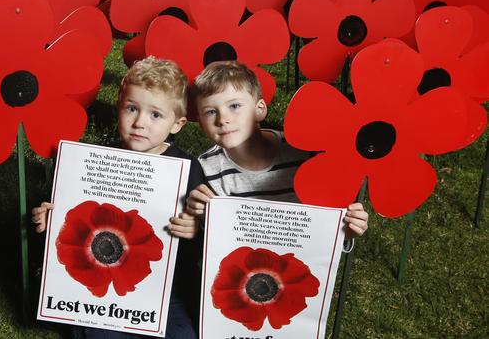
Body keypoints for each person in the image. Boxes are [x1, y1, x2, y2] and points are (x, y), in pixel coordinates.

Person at [31, 56, 204, 338]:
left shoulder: (188, 169)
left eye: (155, 115)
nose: (140, 123)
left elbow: (203, 239)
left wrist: (196, 230)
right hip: (98, 283)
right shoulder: (94, 161)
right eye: (132, 108)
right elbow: (69, 218)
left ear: (178, 124)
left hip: (165, 287)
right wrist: (51, 219)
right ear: (118, 106)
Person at [185, 60, 369, 244]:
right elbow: (218, 237)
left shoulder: (304, 153)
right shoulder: (206, 169)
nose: (223, 119)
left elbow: (325, 226)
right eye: (210, 112)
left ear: (259, 110)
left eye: (234, 106)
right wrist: (201, 218)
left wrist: (347, 228)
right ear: (201, 124)